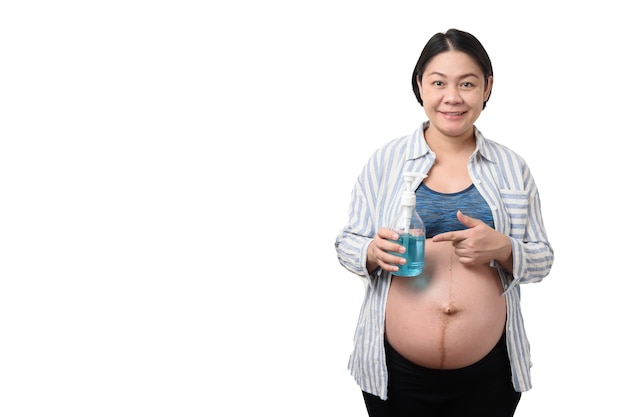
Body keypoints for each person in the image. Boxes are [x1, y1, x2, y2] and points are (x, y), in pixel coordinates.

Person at [335, 28, 554, 417]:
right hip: (395, 373)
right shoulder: (386, 161)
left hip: (489, 374)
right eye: (438, 83)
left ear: (487, 87)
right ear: (420, 85)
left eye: (467, 83)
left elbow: (542, 259)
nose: (452, 97)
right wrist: (369, 251)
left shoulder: (512, 167)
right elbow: (347, 242)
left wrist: (505, 248)